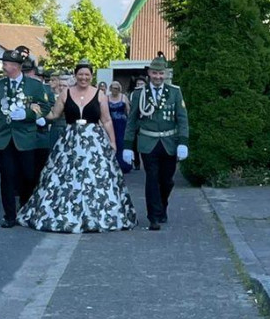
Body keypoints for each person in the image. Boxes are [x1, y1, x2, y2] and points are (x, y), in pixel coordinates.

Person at [18, 60, 136, 233]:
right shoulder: (65, 93)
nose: (83, 77)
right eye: (80, 74)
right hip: (70, 140)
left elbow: (106, 120)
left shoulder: (99, 95)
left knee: (96, 177)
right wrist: (36, 111)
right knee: (64, 176)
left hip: (94, 141)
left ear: (91, 76)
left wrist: (112, 141)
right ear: (75, 75)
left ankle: (97, 215)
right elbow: (54, 114)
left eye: (87, 74)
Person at [0, 48, 53, 228]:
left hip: (26, 138)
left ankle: (25, 207)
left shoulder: (34, 86)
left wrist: (28, 114)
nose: (4, 67)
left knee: (28, 175)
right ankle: (9, 215)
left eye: (6, 64)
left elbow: (45, 107)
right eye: (4, 63)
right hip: (4, 137)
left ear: (16, 66)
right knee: (7, 175)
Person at [124, 54, 190, 231]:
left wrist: (183, 142)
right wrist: (127, 146)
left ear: (165, 74)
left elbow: (182, 119)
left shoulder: (175, 92)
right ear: (149, 73)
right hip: (148, 142)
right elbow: (132, 121)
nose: (158, 77)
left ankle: (162, 206)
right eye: (155, 73)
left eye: (161, 73)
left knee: (167, 180)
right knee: (152, 178)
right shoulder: (139, 94)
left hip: (169, 142)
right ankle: (153, 216)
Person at [107, 81, 133, 174]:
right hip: (111, 123)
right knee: (111, 143)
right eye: (114, 88)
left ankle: (124, 165)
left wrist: (130, 122)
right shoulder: (107, 98)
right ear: (110, 88)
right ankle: (112, 165)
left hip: (122, 124)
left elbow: (128, 110)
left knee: (121, 143)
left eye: (117, 88)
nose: (115, 90)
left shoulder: (123, 97)